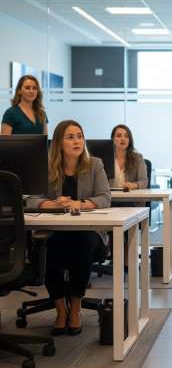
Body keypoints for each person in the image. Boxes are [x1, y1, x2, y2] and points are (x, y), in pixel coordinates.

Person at [27, 120, 111, 336]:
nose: (77, 141)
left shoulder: (95, 164)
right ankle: (60, 310)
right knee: (48, 247)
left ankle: (75, 307)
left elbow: (105, 198)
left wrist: (81, 204)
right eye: (70, 137)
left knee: (81, 243)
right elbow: (30, 199)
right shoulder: (46, 167)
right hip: (54, 232)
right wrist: (50, 204)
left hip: (88, 234)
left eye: (79, 136)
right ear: (58, 143)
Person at [110, 124, 148, 191]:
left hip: (130, 198)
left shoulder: (138, 158)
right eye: (119, 136)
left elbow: (144, 181)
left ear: (129, 140)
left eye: (126, 136)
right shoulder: (104, 158)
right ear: (113, 139)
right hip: (110, 198)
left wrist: (134, 185)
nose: (123, 139)